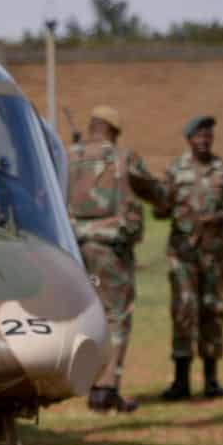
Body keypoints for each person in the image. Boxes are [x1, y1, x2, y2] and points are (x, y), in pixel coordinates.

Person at [66, 106, 163, 413]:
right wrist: (166, 203)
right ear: (113, 130)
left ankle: (85, 381)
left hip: (73, 250)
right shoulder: (123, 158)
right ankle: (105, 389)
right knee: (115, 316)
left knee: (85, 316)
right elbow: (153, 190)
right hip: (111, 249)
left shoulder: (67, 156)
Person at [157, 115, 223, 402]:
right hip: (182, 254)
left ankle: (211, 380)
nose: (204, 140)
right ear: (189, 139)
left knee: (213, 311)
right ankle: (181, 381)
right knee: (184, 311)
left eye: (208, 136)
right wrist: (162, 204)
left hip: (214, 254)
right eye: (199, 136)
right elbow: (160, 208)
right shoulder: (175, 170)